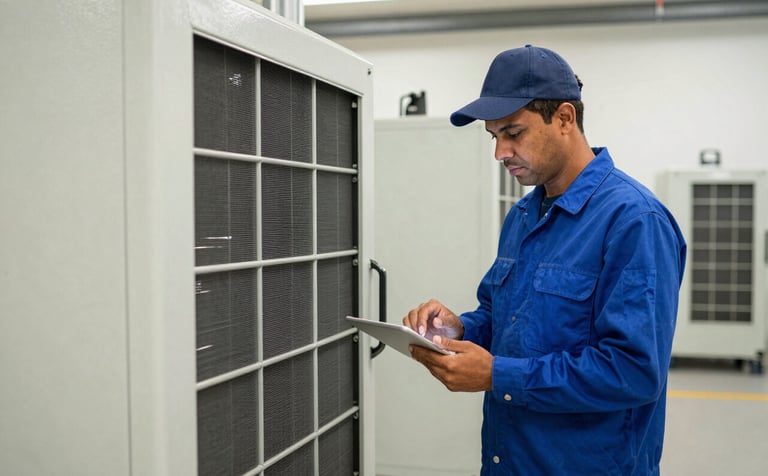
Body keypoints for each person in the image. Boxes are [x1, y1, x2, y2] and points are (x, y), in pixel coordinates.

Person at [403, 45, 687, 475]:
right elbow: (505, 322)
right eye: (494, 137)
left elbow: (634, 371)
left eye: (513, 133)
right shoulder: (522, 216)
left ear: (565, 119)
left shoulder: (633, 221)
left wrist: (499, 376)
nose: (499, 153)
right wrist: (458, 328)